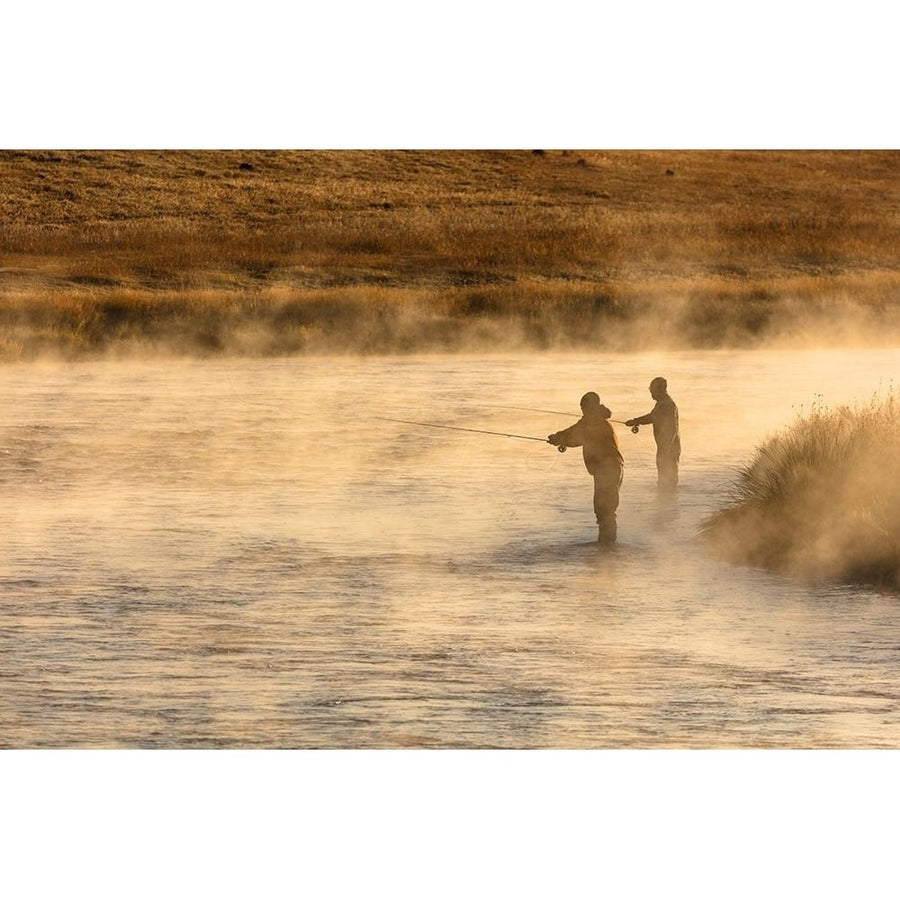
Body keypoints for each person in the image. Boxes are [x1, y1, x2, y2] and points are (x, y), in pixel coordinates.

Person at [548, 392, 624, 545]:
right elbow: (576, 433)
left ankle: (607, 547)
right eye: (581, 407)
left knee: (605, 509)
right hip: (609, 468)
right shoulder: (595, 420)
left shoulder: (593, 422)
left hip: (607, 469)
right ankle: (607, 546)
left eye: (584, 407)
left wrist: (558, 438)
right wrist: (560, 437)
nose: (582, 410)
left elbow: (576, 435)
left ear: (592, 407)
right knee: (603, 509)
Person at [625, 376, 681, 492]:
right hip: (666, 446)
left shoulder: (667, 405)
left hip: (668, 446)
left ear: (659, 390)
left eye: (652, 390)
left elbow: (672, 428)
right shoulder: (662, 403)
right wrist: (636, 421)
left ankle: (667, 502)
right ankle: (666, 502)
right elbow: (653, 417)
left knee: (667, 479)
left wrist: (666, 448)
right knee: (665, 479)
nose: (650, 392)